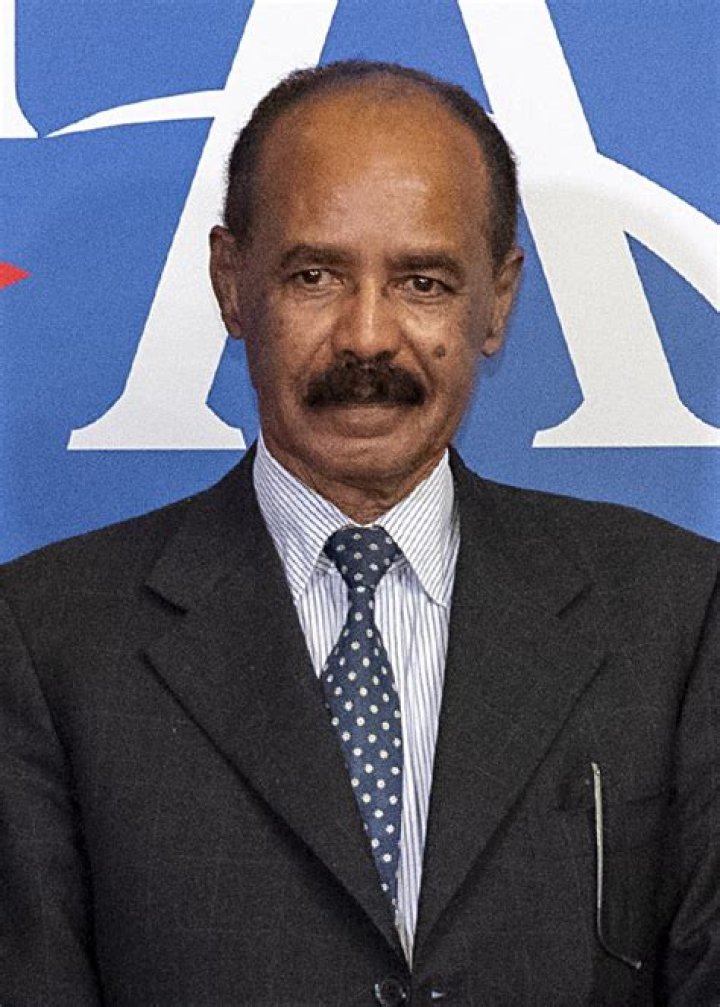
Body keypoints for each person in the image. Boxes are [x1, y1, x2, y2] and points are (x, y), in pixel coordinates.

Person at [0, 60, 717, 1007]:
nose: (368, 337)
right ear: (231, 284)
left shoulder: (675, 613)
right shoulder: (46, 640)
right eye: (315, 275)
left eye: (423, 281)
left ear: (498, 300)